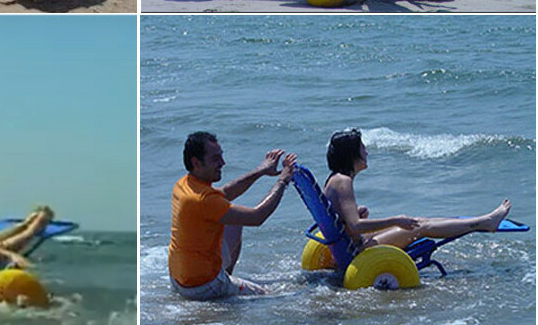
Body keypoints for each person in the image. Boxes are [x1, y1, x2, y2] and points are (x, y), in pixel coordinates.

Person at [322, 128, 511, 251]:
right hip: (357, 249)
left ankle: (480, 221)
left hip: (347, 244)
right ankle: (485, 222)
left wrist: (356, 215)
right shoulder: (343, 181)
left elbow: (348, 222)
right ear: (352, 154)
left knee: (416, 221)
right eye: (362, 148)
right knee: (421, 227)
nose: (367, 152)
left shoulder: (334, 179)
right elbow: (355, 226)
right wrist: (394, 220)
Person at [168, 132, 296, 300]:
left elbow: (225, 193)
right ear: (196, 162)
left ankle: (224, 278)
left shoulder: (184, 184)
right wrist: (283, 180)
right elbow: (257, 217)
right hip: (201, 287)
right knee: (270, 296)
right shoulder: (203, 200)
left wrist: (261, 170)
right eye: (215, 159)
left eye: (221, 156)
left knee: (234, 221)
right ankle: (222, 286)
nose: (223, 163)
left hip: (179, 278)